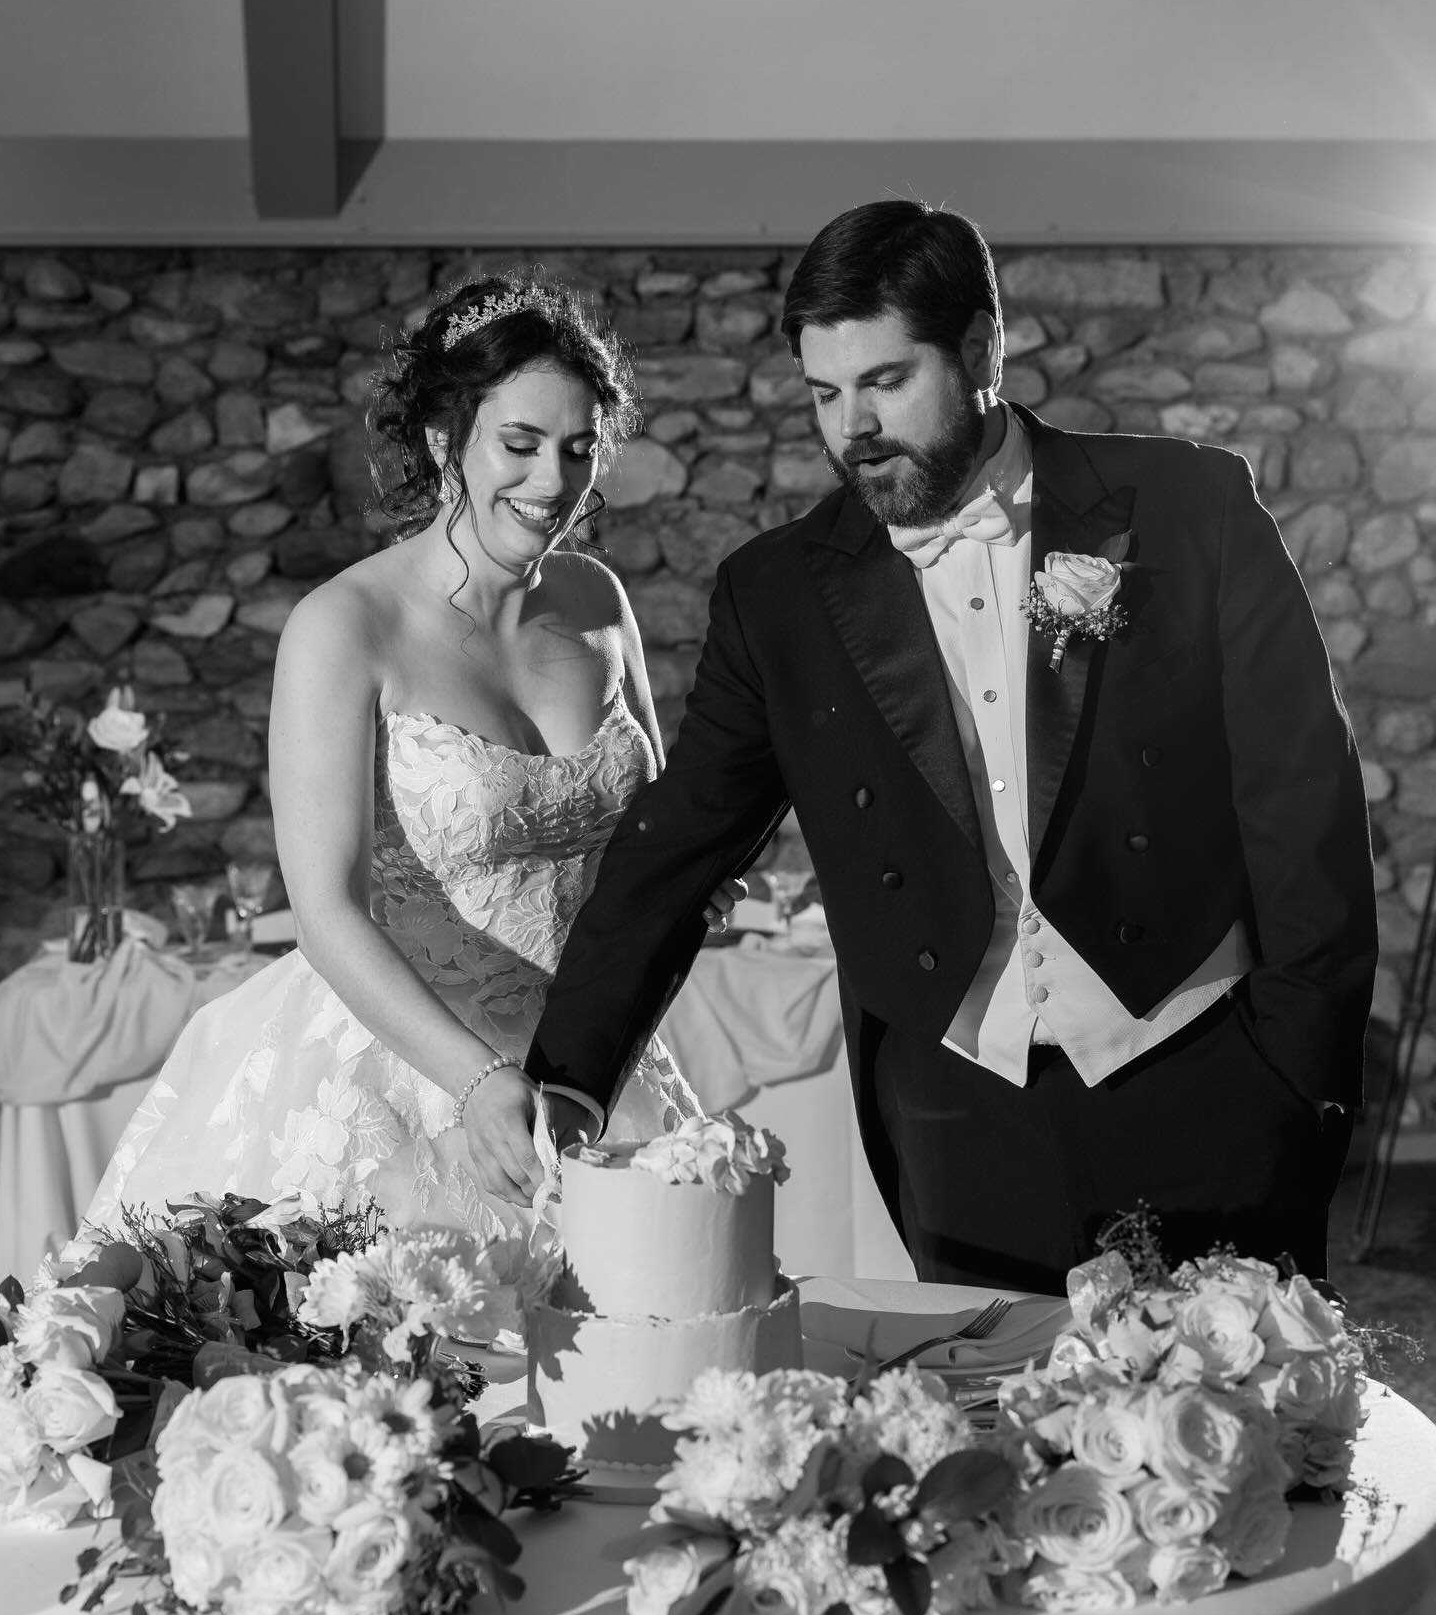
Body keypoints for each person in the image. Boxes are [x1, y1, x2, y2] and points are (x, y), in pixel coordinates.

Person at [522, 200, 1378, 1293]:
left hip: (1203, 1073)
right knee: (991, 1450)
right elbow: (680, 847)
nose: (854, 429)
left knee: (1231, 1445)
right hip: (960, 1118)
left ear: (981, 349)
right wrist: (568, 1077)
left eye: (886, 382)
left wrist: (1297, 1077)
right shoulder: (776, 595)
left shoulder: (1186, 508)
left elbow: (1302, 797)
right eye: (826, 395)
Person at [80, 273, 729, 1247]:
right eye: (519, 444)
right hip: (406, 1071)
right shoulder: (344, 627)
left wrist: (690, 883)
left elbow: (651, 842)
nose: (553, 482)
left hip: (590, 1064)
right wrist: (474, 1078)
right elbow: (324, 909)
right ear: (443, 439)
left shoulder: (599, 602)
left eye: (578, 449)